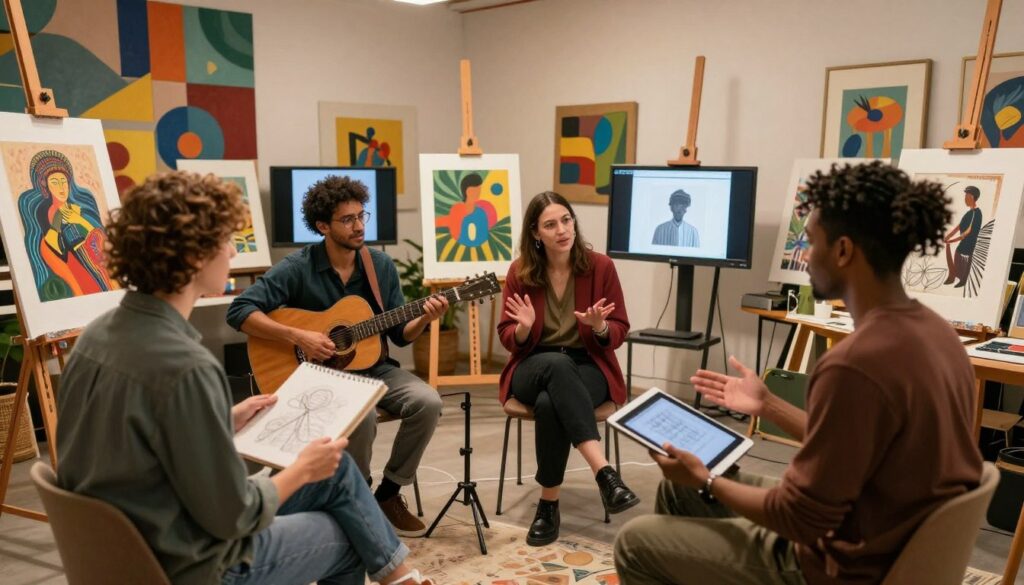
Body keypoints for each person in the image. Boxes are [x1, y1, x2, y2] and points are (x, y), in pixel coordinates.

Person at [614, 161, 983, 584]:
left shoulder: (854, 363)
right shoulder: (937, 333)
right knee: (678, 488)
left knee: (635, 541)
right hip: (884, 534)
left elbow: (799, 519)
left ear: (843, 251)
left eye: (811, 243)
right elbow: (854, 446)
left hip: (842, 567)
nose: (805, 256)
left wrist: (707, 479)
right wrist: (768, 405)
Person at [56, 171, 432, 585]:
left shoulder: (96, 336)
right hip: (189, 562)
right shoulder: (187, 367)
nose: (233, 252)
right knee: (349, 535)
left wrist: (219, 421)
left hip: (121, 549)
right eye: (224, 241)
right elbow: (234, 514)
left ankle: (402, 578)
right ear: (195, 257)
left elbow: (138, 444)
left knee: (338, 469)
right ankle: (399, 575)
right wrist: (301, 469)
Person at [227, 175, 445, 537]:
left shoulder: (379, 267)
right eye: (348, 219)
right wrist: (298, 335)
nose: (359, 225)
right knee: (361, 419)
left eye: (362, 216)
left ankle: (387, 495)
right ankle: (352, 502)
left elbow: (400, 336)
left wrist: (423, 318)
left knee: (428, 401)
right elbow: (239, 310)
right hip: (318, 377)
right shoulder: (298, 267)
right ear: (323, 226)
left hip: (375, 369)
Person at [498, 191, 639, 546]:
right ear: (535, 233)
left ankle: (548, 506)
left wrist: (600, 328)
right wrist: (526, 328)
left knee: (550, 404)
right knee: (555, 366)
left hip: (587, 366)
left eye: (566, 220)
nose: (562, 229)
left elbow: (620, 328)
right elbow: (506, 335)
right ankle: (605, 473)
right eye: (550, 224)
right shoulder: (520, 272)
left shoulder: (601, 267)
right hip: (533, 364)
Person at [18, 149, 116, 301]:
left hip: (96, 271)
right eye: (55, 182)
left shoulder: (78, 209)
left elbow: (101, 242)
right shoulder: (48, 214)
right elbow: (50, 248)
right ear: (46, 186)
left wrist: (80, 221)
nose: (61, 187)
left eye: (64, 181)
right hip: (74, 272)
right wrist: (58, 223)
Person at [943, 185, 982, 288]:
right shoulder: (969, 213)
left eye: (967, 196)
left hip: (969, 243)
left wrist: (952, 240)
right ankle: (953, 276)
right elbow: (959, 226)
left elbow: (967, 232)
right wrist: (948, 236)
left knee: (963, 260)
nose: (965, 199)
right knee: (957, 255)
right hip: (963, 242)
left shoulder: (976, 213)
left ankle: (962, 280)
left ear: (972, 197)